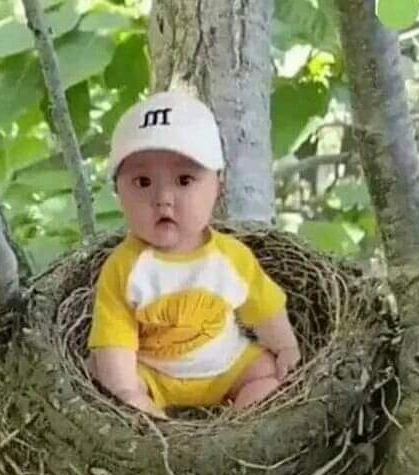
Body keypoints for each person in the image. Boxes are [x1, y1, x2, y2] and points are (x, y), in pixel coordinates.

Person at [87, 90, 300, 418]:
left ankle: (239, 426)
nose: (163, 198)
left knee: (266, 375)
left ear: (218, 185)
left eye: (184, 180)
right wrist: (127, 390)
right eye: (142, 182)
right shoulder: (123, 269)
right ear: (119, 192)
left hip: (227, 365)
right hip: (154, 374)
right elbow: (115, 338)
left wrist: (285, 346)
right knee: (112, 381)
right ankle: (157, 424)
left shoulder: (231, 258)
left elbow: (264, 308)